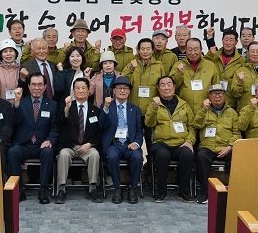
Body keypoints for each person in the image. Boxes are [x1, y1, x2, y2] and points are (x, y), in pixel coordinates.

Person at [7, 73, 60, 204]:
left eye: (40, 84)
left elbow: (55, 128)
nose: (37, 88)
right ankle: (19, 189)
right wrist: (16, 103)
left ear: (45, 86)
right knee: (12, 152)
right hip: (24, 144)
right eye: (34, 84)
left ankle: (43, 189)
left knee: (48, 152)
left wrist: (50, 140)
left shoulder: (52, 105)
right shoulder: (21, 102)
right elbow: (14, 121)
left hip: (42, 144)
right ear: (28, 86)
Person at [54, 78, 105, 204]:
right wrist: (66, 109)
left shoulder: (95, 110)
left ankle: (92, 188)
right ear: (73, 91)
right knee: (63, 155)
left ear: (88, 91)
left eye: (83, 88)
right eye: (78, 88)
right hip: (69, 146)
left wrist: (90, 144)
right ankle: (61, 189)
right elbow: (59, 124)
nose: (81, 90)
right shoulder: (66, 107)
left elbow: (99, 133)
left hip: (87, 146)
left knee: (94, 154)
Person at [145, 75, 195, 203]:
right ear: (158, 88)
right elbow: (149, 123)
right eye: (162, 85)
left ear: (174, 87)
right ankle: (161, 191)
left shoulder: (184, 105)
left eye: (169, 84)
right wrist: (154, 108)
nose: (166, 88)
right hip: (161, 143)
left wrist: (189, 141)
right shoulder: (153, 104)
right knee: (161, 155)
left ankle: (184, 191)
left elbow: (192, 126)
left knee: (187, 155)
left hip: (181, 142)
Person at [193, 84, 240, 204]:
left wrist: (230, 147)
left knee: (238, 157)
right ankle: (205, 193)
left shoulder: (232, 112)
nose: (217, 96)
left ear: (225, 95)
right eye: (214, 93)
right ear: (209, 96)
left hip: (226, 147)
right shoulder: (203, 110)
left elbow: (237, 133)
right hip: (208, 146)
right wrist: (203, 110)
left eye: (220, 93)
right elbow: (196, 125)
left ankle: (234, 192)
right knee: (201, 156)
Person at [101, 76, 143, 204]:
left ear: (129, 92)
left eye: (125, 88)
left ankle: (132, 187)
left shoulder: (135, 109)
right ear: (114, 91)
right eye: (119, 88)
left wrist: (136, 143)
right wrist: (105, 108)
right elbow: (101, 125)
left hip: (130, 143)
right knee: (112, 156)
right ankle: (117, 188)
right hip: (114, 144)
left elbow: (139, 130)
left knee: (137, 157)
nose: (122, 91)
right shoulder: (107, 106)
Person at [171, 37, 220, 112]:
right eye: (190, 49)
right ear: (186, 50)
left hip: (206, 109)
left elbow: (216, 87)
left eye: (196, 49)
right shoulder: (178, 65)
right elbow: (171, 88)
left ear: (201, 49)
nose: (193, 53)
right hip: (183, 110)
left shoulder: (210, 65)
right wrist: (179, 74)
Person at [204, 28, 246, 107]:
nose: (228, 43)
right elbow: (203, 64)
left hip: (230, 101)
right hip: (213, 99)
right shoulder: (214, 55)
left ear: (236, 42)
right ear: (222, 40)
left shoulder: (241, 60)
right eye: (226, 40)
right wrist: (210, 53)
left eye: (231, 40)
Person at [231, 41, 258, 111]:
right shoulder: (240, 71)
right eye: (252, 51)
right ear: (247, 53)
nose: (255, 54)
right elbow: (235, 94)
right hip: (245, 112)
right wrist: (240, 82)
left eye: (257, 51)